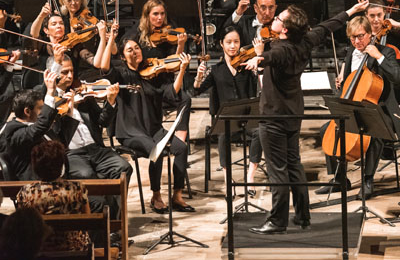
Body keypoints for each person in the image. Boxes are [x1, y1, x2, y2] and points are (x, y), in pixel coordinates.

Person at [242, 0, 371, 234]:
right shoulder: (305, 41)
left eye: (279, 19)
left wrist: (258, 57)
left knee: (278, 170)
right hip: (292, 114)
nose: (275, 19)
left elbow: (272, 58)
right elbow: (327, 26)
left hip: (274, 117)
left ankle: (277, 221)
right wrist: (351, 10)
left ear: (286, 29)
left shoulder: (281, 49)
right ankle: (302, 216)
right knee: (294, 165)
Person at [315, 15, 400, 199]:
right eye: (353, 38)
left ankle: (368, 180)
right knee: (326, 130)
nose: (357, 41)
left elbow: (398, 77)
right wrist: (343, 84)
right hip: (354, 106)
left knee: (375, 135)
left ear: (369, 34)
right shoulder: (351, 52)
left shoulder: (385, 51)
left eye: (360, 36)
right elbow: (352, 80)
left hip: (380, 109)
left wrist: (379, 57)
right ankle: (340, 179)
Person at [100, 31, 194, 214]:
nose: (135, 51)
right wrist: (108, 38)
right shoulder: (120, 74)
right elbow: (104, 68)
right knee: (155, 150)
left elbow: (172, 93)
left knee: (181, 148)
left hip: (153, 128)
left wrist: (182, 69)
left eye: (137, 47)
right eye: (129, 50)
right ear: (122, 56)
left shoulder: (152, 73)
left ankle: (177, 195)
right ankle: (156, 196)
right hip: (130, 131)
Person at [44, 55, 133, 212]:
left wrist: (111, 102)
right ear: (53, 73)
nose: (70, 76)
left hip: (95, 148)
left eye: (71, 71)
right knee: (87, 175)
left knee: (123, 168)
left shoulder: (83, 92)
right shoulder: (48, 100)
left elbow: (102, 121)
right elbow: (53, 131)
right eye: (64, 72)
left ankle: (114, 221)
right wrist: (69, 110)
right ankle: (98, 223)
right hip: (72, 153)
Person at [193, 26, 261, 194]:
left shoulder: (246, 66)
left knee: (261, 132)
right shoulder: (216, 70)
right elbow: (196, 90)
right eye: (229, 42)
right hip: (225, 121)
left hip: (245, 118)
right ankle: (227, 177)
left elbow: (258, 90)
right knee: (223, 135)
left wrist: (258, 61)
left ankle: (250, 176)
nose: (233, 46)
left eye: (236, 42)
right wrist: (198, 76)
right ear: (221, 44)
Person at [16, 140, 91, 251]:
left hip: (39, 250)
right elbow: (87, 221)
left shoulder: (26, 192)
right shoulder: (77, 188)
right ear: (61, 165)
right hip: (74, 249)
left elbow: (22, 225)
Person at [0, 70, 60, 180]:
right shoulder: (13, 132)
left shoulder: (31, 124)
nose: (43, 113)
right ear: (27, 111)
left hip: (51, 174)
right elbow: (40, 126)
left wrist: (49, 85)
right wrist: (50, 93)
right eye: (41, 109)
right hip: (32, 183)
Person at [28, 5, 107, 82]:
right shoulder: (44, 46)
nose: (59, 26)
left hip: (70, 88)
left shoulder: (74, 44)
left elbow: (97, 63)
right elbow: (34, 34)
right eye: (54, 24)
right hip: (47, 88)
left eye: (61, 23)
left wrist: (103, 37)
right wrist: (41, 16)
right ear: (46, 30)